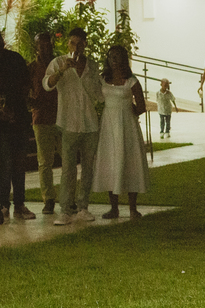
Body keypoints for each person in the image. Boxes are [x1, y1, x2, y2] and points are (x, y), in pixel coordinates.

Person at [44, 27, 102, 225]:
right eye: (72, 43)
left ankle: (83, 206)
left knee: (88, 167)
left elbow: (98, 94)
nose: (76, 47)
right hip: (68, 123)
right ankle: (65, 209)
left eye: (80, 44)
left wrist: (84, 74)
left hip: (90, 123)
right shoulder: (58, 62)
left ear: (85, 45)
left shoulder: (92, 65)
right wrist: (62, 70)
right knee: (68, 168)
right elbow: (47, 84)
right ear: (67, 44)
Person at [0, 27, 35, 222]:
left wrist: (19, 102)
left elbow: (26, 83)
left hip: (19, 117)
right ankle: (4, 204)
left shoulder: (15, 58)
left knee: (19, 163)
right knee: (5, 163)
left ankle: (20, 204)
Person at [93, 45, 149, 219]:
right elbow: (96, 96)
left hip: (127, 125)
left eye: (117, 56)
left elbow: (141, 106)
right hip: (108, 124)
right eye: (111, 57)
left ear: (124, 59)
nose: (114, 60)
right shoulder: (103, 79)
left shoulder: (131, 80)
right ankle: (113, 207)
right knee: (110, 160)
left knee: (130, 161)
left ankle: (133, 208)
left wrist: (128, 110)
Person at [27, 32, 61, 216]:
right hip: (41, 119)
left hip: (62, 116)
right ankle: (48, 198)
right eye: (41, 44)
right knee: (45, 162)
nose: (45, 47)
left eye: (48, 44)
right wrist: (32, 103)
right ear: (36, 47)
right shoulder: (32, 68)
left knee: (67, 159)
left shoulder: (60, 64)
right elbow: (24, 89)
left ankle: (68, 198)